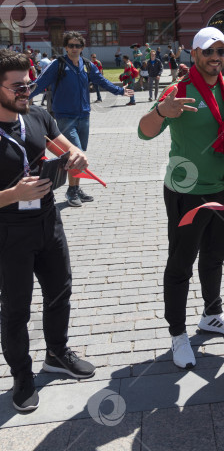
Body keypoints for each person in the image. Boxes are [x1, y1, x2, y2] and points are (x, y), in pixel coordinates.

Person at [138, 27, 224, 369]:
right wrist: (160, 113)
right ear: (194, 54)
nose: (216, 57)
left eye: (221, 51)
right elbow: (143, 132)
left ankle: (211, 314)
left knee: (215, 256)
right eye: (208, 51)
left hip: (220, 188)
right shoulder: (178, 91)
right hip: (186, 191)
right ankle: (178, 334)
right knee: (181, 263)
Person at [0, 51, 96, 412]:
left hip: (48, 223)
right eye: (17, 87)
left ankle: (56, 353)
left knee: (60, 292)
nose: (27, 90)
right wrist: (13, 194)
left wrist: (76, 157)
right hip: (8, 232)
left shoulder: (37, 115)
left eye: (29, 82)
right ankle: (22, 377)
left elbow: (65, 147)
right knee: (15, 310)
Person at [31, 32, 133, 207]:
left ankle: (76, 188)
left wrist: (120, 91)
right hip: (65, 117)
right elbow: (40, 83)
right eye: (71, 45)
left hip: (84, 116)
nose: (74, 49)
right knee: (74, 154)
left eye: (77, 46)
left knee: (79, 155)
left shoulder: (87, 65)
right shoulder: (58, 65)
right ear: (65, 47)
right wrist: (22, 97)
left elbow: (100, 80)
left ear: (82, 47)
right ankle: (71, 191)